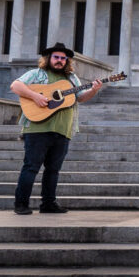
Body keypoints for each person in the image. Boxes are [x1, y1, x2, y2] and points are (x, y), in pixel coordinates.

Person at [10, 42, 102, 215]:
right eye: (56, 57)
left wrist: (94, 90)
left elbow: (81, 98)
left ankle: (48, 204)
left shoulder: (72, 79)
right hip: (37, 128)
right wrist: (35, 96)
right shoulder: (37, 74)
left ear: (67, 61)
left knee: (53, 170)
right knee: (31, 167)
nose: (60, 61)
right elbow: (15, 86)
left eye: (63, 58)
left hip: (63, 130)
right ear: (49, 58)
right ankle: (21, 204)